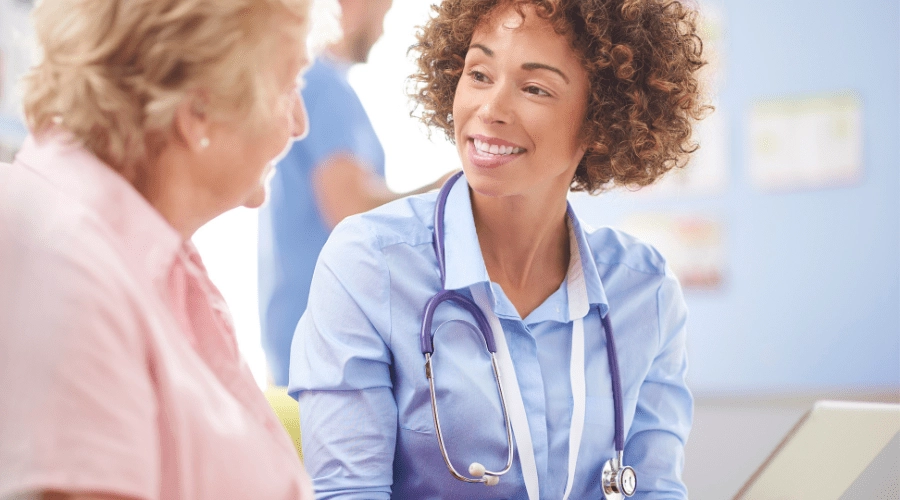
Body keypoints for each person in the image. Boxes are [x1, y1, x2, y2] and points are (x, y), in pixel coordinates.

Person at [290, 0, 708, 498]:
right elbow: (348, 492)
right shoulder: (370, 263)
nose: (490, 110)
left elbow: (654, 488)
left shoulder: (644, 290)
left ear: (602, 122)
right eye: (479, 74)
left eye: (535, 88)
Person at [0, 0, 317, 498]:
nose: (299, 123)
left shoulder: (152, 254)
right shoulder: (61, 263)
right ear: (198, 113)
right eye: (288, 88)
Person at [257, 0, 451, 387]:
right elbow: (351, 209)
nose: (383, 30)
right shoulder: (323, 86)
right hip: (323, 349)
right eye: (387, 11)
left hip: (307, 340)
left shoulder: (322, 85)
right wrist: (447, 191)